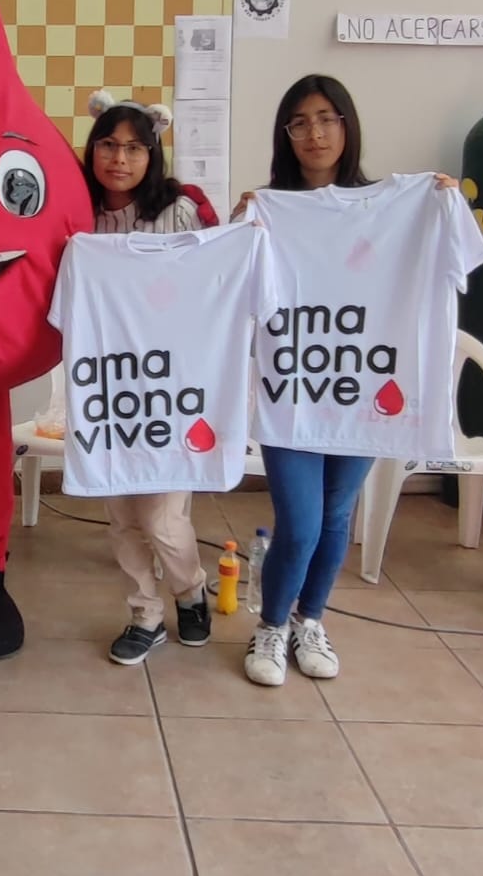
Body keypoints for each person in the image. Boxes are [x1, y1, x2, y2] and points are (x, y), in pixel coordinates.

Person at [234, 75, 457, 687]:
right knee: (300, 523)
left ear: (347, 126)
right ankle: (272, 626)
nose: (315, 133)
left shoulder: (395, 208)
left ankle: (312, 619)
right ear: (286, 135)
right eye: (300, 121)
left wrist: (440, 205)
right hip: (294, 389)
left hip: (362, 389)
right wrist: (239, 234)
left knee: (336, 519)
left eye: (327, 118)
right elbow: (236, 293)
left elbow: (455, 261)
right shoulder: (268, 208)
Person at [79, 93, 214, 664]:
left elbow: (215, 278)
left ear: (152, 152)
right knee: (121, 515)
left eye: (135, 147)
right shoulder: (77, 212)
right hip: (107, 381)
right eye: (109, 144)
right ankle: (145, 614)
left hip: (171, 383)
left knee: (161, 517)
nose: (119, 158)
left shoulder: (178, 209)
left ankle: (190, 589)